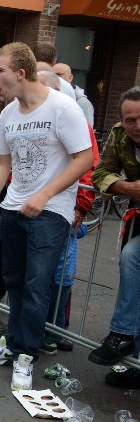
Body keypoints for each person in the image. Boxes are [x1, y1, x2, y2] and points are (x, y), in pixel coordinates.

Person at [0, 42, 93, 391]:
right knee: (15, 282)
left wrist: (45, 194)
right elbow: (2, 162)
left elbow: (85, 158)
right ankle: (13, 346)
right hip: (12, 209)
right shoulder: (9, 112)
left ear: (20, 73)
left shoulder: (63, 108)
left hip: (50, 213)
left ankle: (26, 355)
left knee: (38, 285)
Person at [89, 86, 140, 385]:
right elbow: (100, 174)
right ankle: (133, 358)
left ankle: (121, 335)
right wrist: (128, 188)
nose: (137, 126)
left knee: (133, 256)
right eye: (130, 119)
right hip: (137, 219)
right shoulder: (119, 134)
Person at [52, 63, 95, 127]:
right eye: (52, 75)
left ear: (70, 77)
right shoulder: (51, 98)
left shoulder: (82, 103)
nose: (55, 78)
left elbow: (87, 131)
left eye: (59, 75)